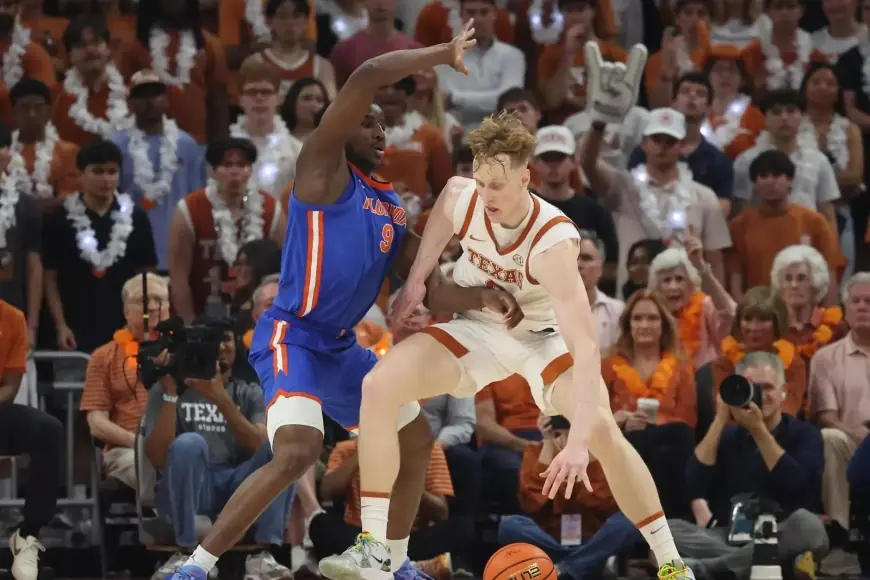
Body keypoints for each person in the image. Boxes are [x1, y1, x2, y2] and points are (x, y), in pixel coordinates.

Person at [322, 43, 697, 580]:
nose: (487, 194)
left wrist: (578, 442)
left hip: (542, 340)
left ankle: (671, 563)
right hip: (477, 328)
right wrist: (415, 284)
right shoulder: (462, 194)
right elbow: (438, 226)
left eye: (497, 185)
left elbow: (585, 344)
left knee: (604, 432)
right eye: (481, 181)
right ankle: (375, 548)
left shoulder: (553, 243)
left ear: (526, 178)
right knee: (379, 386)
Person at [168, 22, 512, 580]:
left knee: (417, 439)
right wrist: (442, 53)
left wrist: (487, 295)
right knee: (298, 451)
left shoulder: (391, 207)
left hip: (340, 347)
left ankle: (393, 562)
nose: (379, 131)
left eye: (383, 125)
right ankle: (197, 567)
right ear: (341, 125)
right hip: (293, 336)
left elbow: (431, 287)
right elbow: (369, 73)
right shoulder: (321, 170)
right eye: (367, 121)